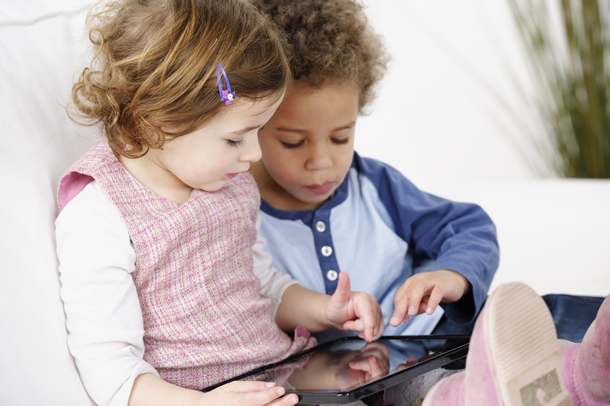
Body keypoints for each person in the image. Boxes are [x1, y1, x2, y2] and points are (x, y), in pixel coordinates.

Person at [55, 1, 385, 405]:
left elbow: (263, 285)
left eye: (258, 133)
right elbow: (110, 368)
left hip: (281, 375)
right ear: (156, 120)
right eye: (235, 139)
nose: (254, 156)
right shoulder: (101, 212)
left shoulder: (232, 185)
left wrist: (325, 311)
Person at [248, 0, 604, 345]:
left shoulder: (374, 186)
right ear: (250, 125)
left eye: (341, 137)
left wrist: (449, 277)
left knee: (551, 318)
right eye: (294, 142)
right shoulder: (234, 215)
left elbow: (468, 227)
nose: (322, 161)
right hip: (355, 375)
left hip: (445, 335)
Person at [423, 282, 610, 406]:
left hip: (447, 311)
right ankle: (583, 382)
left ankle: (585, 379)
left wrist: (455, 273)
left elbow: (463, 226)